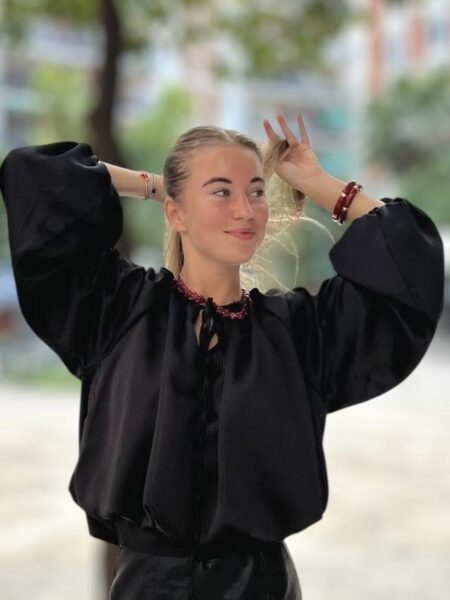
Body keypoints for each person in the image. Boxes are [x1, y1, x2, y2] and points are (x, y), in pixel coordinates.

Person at [0, 113, 444, 600]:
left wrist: (317, 183)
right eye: (221, 191)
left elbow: (409, 262)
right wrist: (159, 187)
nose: (245, 210)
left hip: (263, 587)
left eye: (256, 191)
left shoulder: (299, 334)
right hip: (148, 588)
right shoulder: (117, 310)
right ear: (176, 214)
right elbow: (37, 174)